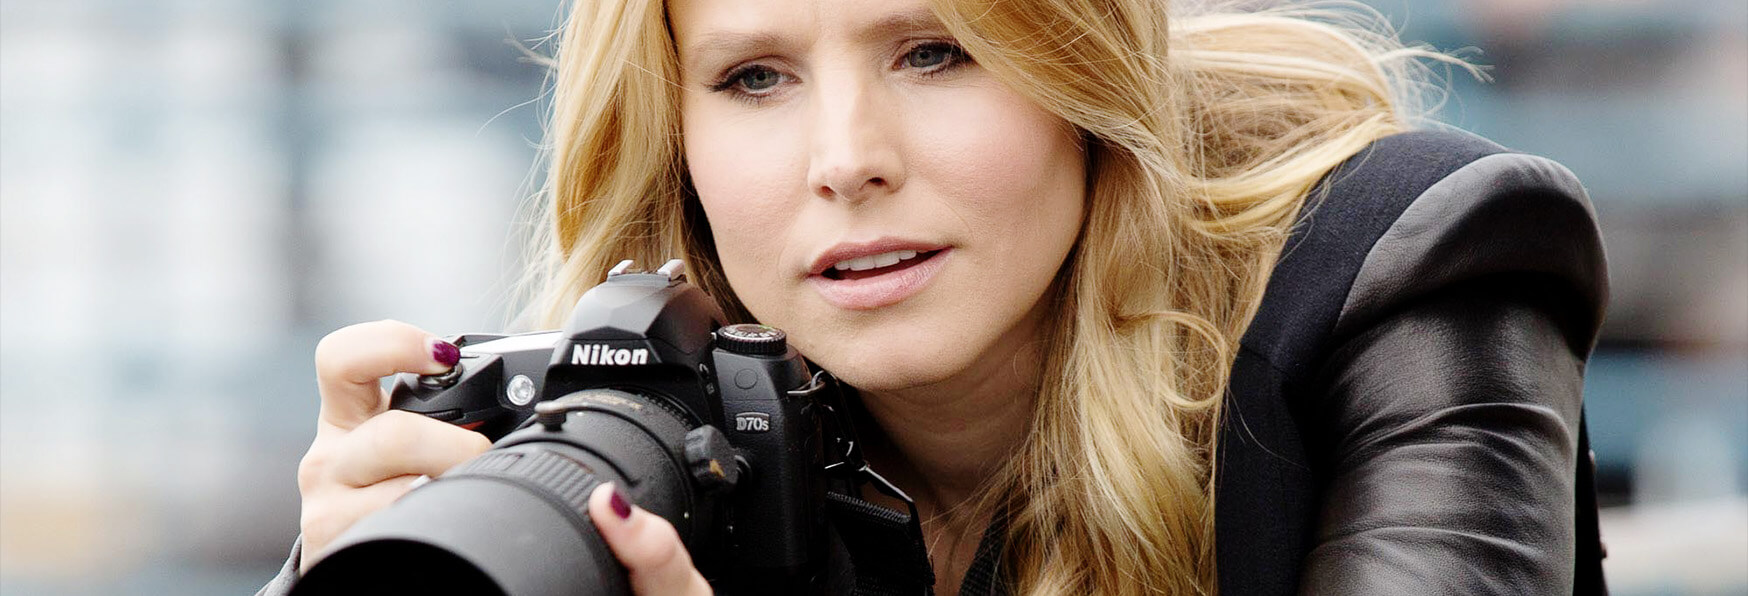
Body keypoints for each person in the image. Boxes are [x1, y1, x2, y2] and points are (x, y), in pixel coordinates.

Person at [260, 0, 1609, 594]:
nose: (847, 158)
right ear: (676, 141)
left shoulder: (1404, 274)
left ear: (1081, 76)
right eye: (754, 78)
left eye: (936, 50)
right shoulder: (650, 443)